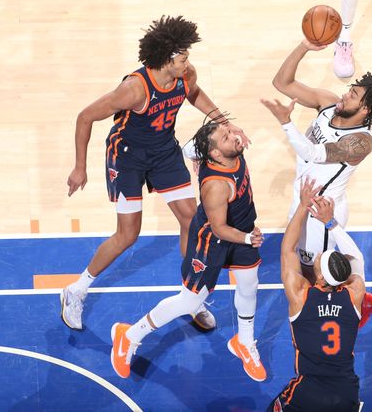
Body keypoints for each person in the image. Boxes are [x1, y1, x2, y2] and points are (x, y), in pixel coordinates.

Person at [62, 15, 248, 332]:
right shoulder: (133, 90)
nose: (188, 61)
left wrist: (224, 121)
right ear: (166, 59)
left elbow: (195, 93)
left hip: (163, 151)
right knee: (128, 234)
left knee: (192, 219)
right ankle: (75, 290)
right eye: (183, 56)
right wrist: (79, 166)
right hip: (127, 157)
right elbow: (84, 117)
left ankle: (190, 298)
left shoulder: (185, 74)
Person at [110, 121, 267, 381]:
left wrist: (229, 129)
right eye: (227, 137)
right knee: (189, 301)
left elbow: (190, 147)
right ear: (215, 154)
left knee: (249, 285)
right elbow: (218, 229)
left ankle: (244, 341)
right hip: (213, 240)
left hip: (242, 230)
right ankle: (129, 336)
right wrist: (248, 238)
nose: (235, 137)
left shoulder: (226, 151)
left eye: (230, 133)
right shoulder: (216, 185)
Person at [264, 39, 372, 325]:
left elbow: (313, 153)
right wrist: (304, 46)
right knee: (295, 259)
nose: (345, 95)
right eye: (350, 90)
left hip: (321, 213)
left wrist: (286, 122)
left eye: (354, 95)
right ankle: (344, 304)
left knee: (314, 272)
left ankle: (327, 317)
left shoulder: (360, 142)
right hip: (303, 197)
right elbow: (282, 82)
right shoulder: (328, 104)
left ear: (365, 110)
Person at [268, 178, 366, 411]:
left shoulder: (301, 295)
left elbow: (288, 250)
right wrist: (331, 223)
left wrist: (303, 206)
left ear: (320, 277)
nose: (318, 255)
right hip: (345, 391)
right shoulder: (354, 295)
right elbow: (357, 259)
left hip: (308, 390)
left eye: (319, 260)